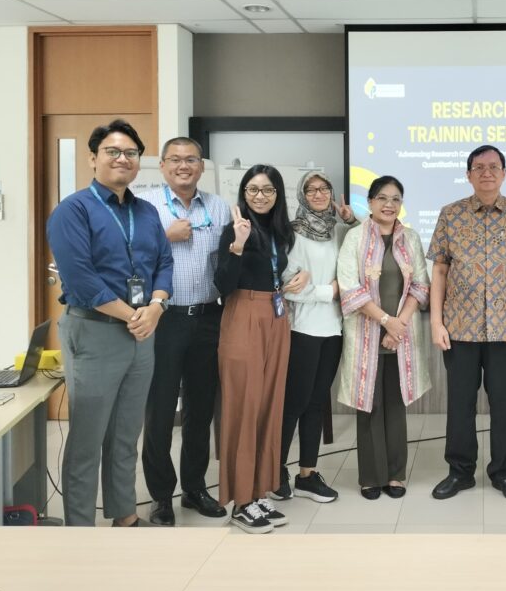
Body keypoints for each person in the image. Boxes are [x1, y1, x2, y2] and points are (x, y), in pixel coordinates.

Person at [47, 119, 173, 527]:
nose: (123, 158)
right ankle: (80, 529)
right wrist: (135, 315)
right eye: (113, 151)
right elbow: (81, 279)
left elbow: (164, 263)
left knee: (125, 434)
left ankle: (125, 515)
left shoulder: (146, 211)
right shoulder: (73, 210)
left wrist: (156, 306)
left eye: (131, 153)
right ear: (93, 159)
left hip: (142, 333)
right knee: (88, 438)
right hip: (95, 331)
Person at [428, 145, 506, 502]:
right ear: (468, 174)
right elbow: (440, 269)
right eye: (479, 167)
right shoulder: (451, 214)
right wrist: (436, 322)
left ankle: (503, 473)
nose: (487, 172)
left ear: (504, 173)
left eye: (494, 167)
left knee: (504, 405)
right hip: (459, 327)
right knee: (460, 404)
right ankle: (459, 472)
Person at [138, 137, 230, 526]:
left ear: (202, 166)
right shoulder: (145, 206)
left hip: (208, 318)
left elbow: (226, 261)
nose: (183, 166)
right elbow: (128, 255)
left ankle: (194, 488)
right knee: (159, 411)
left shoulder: (218, 206)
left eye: (191, 159)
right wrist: (166, 237)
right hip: (164, 318)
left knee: (200, 409)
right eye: (175, 159)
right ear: (162, 166)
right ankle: (161, 496)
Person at [214, 165, 306, 533]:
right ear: (243, 193)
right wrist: (237, 245)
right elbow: (223, 285)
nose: (260, 196)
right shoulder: (234, 230)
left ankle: (258, 491)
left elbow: (275, 272)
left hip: (276, 316)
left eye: (267, 190)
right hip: (243, 315)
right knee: (244, 407)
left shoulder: (280, 232)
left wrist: (297, 278)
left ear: (278, 194)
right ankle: (240, 501)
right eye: (252, 189)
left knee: (270, 406)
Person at [336, 176, 431, 499]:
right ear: (370, 202)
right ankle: (370, 477)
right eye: (382, 198)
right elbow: (350, 288)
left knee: (395, 405)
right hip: (367, 335)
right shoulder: (355, 238)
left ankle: (395, 475)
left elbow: (420, 285)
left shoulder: (410, 238)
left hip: (400, 337)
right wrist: (386, 322)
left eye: (395, 199)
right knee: (369, 405)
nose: (389, 205)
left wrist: (398, 326)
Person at [271, 170, 357, 504]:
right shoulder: (292, 234)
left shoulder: (338, 230)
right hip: (302, 329)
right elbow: (288, 286)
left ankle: (307, 474)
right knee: (294, 403)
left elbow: (368, 244)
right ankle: (275, 471)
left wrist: (351, 219)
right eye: (311, 189)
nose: (319, 194)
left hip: (334, 330)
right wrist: (330, 291)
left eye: (324, 189)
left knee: (317, 403)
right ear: (302, 195)